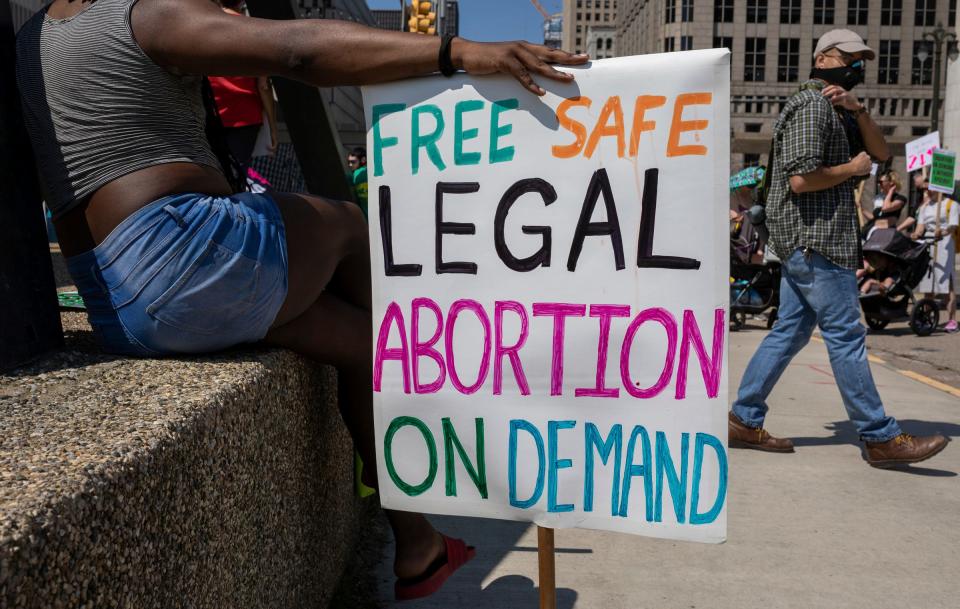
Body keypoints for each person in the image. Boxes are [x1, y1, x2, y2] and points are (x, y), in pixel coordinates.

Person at [15, 0, 588, 599]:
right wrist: (459, 51)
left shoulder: (38, 35)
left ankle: (417, 544)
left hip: (121, 303)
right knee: (349, 225)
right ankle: (423, 417)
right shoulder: (146, 15)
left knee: (369, 347)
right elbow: (299, 51)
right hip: (186, 259)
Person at [728, 29, 949, 467]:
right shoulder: (812, 106)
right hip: (817, 240)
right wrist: (852, 167)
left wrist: (859, 109)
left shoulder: (839, 107)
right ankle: (879, 436)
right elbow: (800, 180)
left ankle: (743, 417)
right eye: (850, 58)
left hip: (814, 242)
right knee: (846, 336)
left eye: (861, 60)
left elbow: (881, 151)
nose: (857, 67)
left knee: (789, 331)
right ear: (824, 57)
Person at [207, 1, 279, 171]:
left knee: (211, 173)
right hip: (246, 116)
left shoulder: (205, 27)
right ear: (241, 1)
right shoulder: (255, 31)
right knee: (236, 175)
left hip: (211, 113)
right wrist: (273, 128)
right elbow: (264, 85)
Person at [911, 186, 960, 333]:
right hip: (928, 242)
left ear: (940, 189)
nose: (928, 192)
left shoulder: (952, 205)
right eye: (927, 190)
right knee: (928, 281)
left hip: (945, 243)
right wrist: (916, 234)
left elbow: (952, 227)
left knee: (945, 281)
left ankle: (952, 320)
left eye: (931, 189)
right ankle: (926, 316)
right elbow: (921, 227)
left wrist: (942, 232)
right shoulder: (925, 207)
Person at [861, 170, 906, 239]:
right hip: (872, 230)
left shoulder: (900, 199)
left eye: (881, 182)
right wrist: (861, 209)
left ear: (891, 182)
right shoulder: (878, 198)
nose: (879, 184)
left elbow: (885, 208)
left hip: (885, 233)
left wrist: (890, 192)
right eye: (878, 182)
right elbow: (874, 218)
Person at [346, 146, 368, 218]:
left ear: (363, 159)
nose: (350, 165)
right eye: (348, 162)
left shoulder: (356, 174)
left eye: (353, 162)